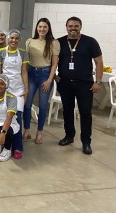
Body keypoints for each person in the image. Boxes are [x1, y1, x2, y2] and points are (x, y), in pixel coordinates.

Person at [56, 16, 103, 155]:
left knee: (86, 113)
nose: (73, 29)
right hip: (65, 83)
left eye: (76, 26)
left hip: (85, 84)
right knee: (67, 111)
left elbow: (99, 62)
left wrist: (98, 82)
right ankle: (69, 136)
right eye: (70, 26)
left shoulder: (90, 42)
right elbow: (51, 61)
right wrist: (54, 76)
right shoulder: (59, 42)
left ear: (80, 27)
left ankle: (86, 142)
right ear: (66, 27)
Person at [23, 18, 60, 144]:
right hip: (31, 74)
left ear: (48, 28)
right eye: (40, 26)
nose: (42, 29)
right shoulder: (29, 41)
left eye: (45, 27)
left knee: (43, 105)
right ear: (36, 28)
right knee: (27, 104)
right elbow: (25, 61)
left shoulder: (54, 43)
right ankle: (27, 130)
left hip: (45, 75)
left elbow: (54, 64)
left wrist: (50, 79)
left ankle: (39, 132)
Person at [0, 29, 29, 159]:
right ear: (8, 39)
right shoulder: (0, 52)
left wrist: (26, 89)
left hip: (18, 89)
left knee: (17, 117)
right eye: (12, 38)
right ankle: (3, 144)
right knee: (4, 117)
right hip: (6, 89)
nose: (14, 40)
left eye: (16, 38)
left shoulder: (23, 53)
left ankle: (17, 147)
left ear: (19, 40)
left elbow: (24, 71)